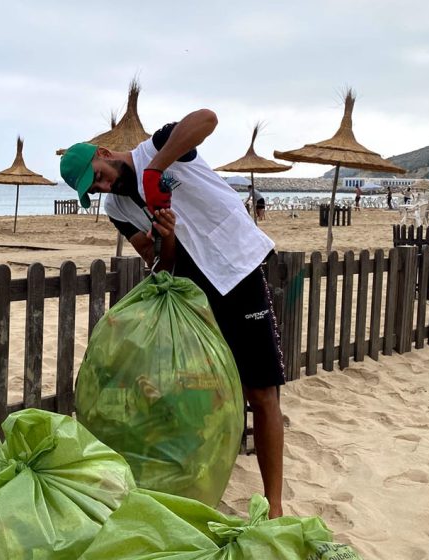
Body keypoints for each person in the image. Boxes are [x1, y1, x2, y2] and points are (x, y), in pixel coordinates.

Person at [60, 109, 285, 518]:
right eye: (90, 188)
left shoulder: (162, 145)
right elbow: (158, 264)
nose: (99, 186)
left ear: (105, 152)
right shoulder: (117, 209)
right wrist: (166, 239)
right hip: (192, 294)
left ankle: (276, 506)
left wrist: (156, 171)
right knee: (200, 390)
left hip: (237, 270)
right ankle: (202, 481)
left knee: (261, 391)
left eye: (97, 175)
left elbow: (208, 118)